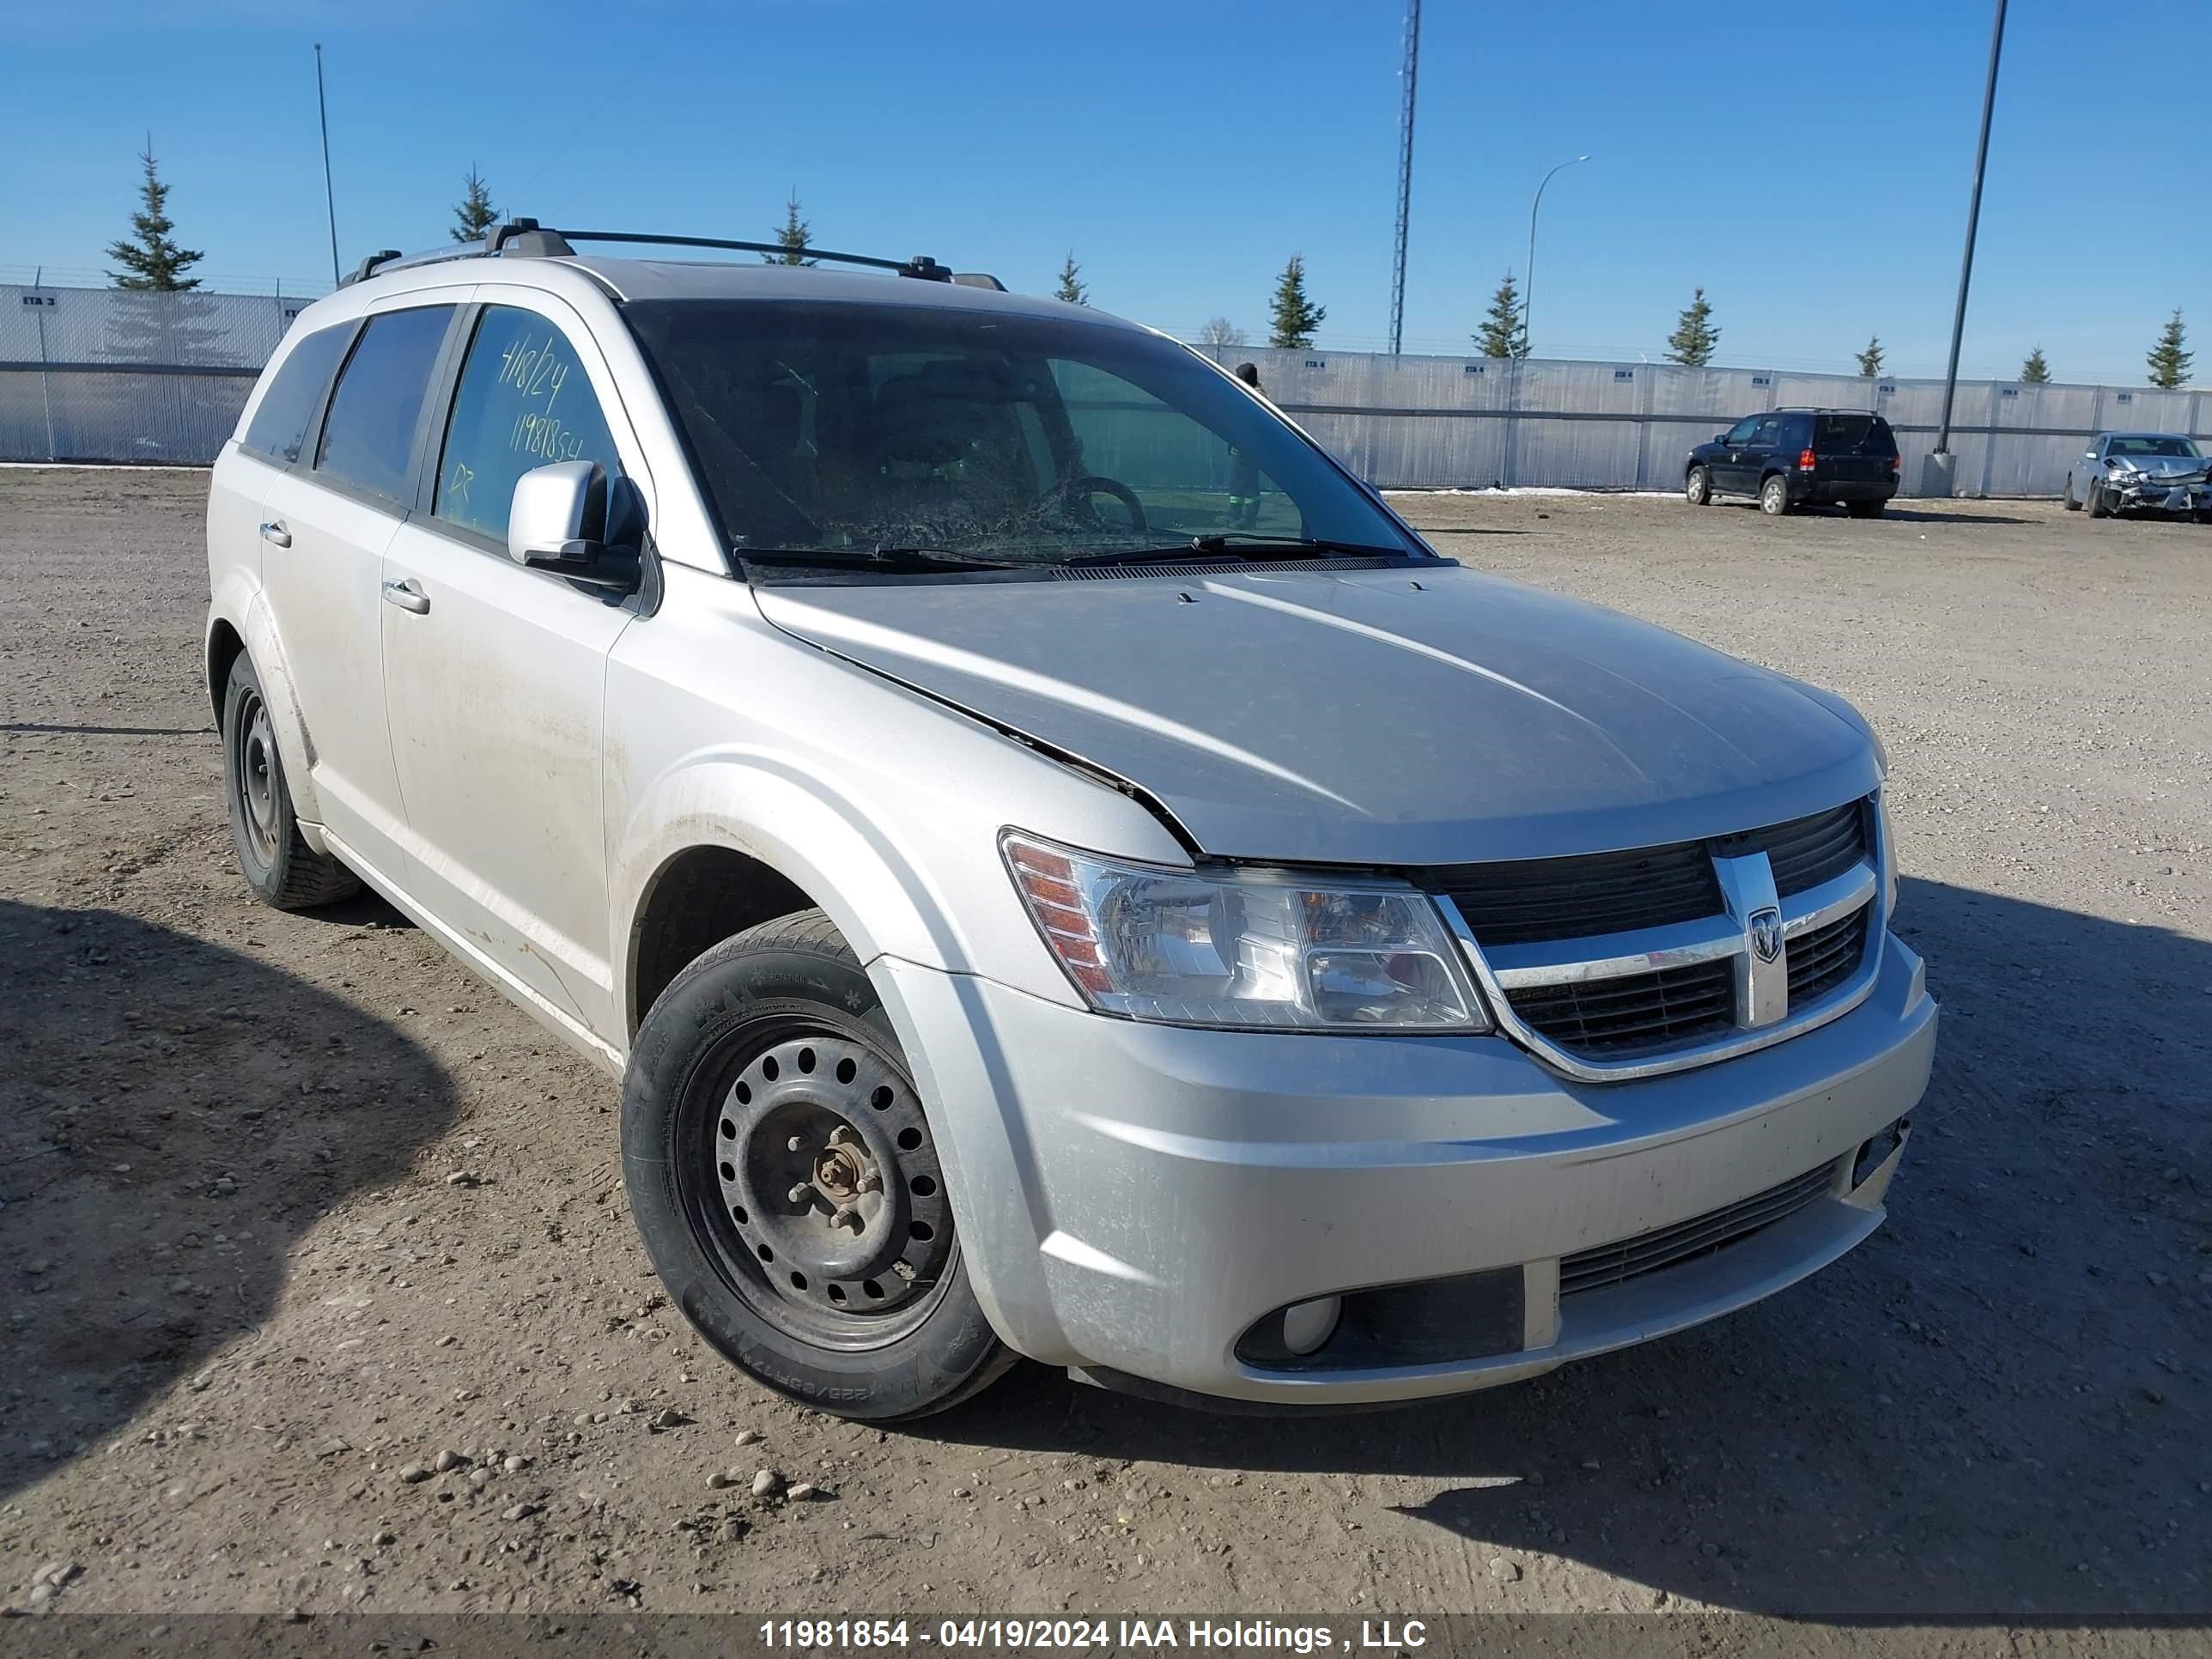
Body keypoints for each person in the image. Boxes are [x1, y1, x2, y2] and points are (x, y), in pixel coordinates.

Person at [1226, 362, 1264, 530]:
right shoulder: (1245, 392)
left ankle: (1249, 519)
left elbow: (1249, 421)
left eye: (1239, 376)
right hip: (1240, 445)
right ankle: (1234, 516)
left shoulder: (1257, 396)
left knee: (1249, 484)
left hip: (1250, 447)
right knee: (1236, 483)